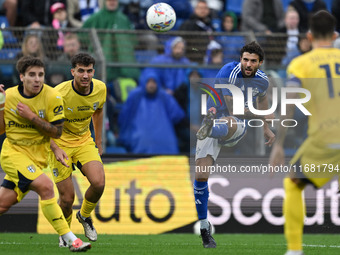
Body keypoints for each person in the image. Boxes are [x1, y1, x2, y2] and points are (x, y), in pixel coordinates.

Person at [0, 56, 91, 252]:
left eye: (40, 75)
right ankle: (71, 239)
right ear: (22, 77)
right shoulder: (9, 96)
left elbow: (57, 132)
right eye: (32, 75)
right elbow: (0, 130)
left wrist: (32, 118)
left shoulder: (53, 97)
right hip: (13, 154)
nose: (37, 79)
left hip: (36, 159)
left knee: (3, 204)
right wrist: (0, 106)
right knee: (47, 187)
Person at [269, 10, 340, 255]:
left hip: (325, 138)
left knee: (293, 183)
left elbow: (289, 103)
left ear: (309, 36)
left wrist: (279, 143)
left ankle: (295, 250)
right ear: (335, 35)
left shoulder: (301, 63)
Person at [194, 41, 275, 248]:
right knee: (201, 176)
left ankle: (211, 128)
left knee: (229, 122)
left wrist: (266, 127)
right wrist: (261, 114)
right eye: (245, 59)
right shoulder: (229, 72)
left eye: (253, 61)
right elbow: (234, 107)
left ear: (260, 63)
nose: (248, 64)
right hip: (220, 116)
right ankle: (205, 229)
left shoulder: (262, 81)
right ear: (240, 59)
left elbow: (262, 101)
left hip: (235, 125)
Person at [49, 53, 106, 247]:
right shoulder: (59, 93)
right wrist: (55, 148)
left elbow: (98, 110)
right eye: (81, 70)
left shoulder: (100, 88)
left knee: (98, 183)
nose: (85, 75)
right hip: (59, 143)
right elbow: (44, 125)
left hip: (83, 141)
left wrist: (98, 140)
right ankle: (65, 233)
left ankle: (84, 216)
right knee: (67, 199)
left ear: (93, 72)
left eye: (89, 71)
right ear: (72, 71)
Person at [118, 70, 185, 154]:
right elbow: (125, 117)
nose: (151, 85)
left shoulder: (164, 96)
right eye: (148, 81)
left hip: (165, 145)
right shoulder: (135, 96)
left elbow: (177, 115)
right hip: (140, 143)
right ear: (143, 82)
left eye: (154, 82)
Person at [82, 0, 140, 82]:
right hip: (102, 57)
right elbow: (82, 34)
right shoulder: (96, 17)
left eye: (114, 0)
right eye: (109, 0)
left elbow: (132, 39)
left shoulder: (123, 19)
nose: (112, 2)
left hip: (123, 61)